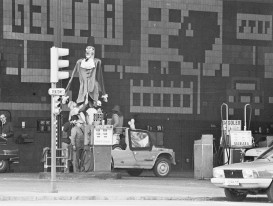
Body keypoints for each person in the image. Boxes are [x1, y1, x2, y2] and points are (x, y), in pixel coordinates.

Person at [65, 36, 108, 111]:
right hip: (82, 91)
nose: (89, 50)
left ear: (94, 51)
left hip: (94, 91)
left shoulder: (97, 62)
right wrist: (65, 93)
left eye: (91, 49)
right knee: (79, 112)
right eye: (87, 48)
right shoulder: (79, 62)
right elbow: (71, 78)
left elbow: (100, 78)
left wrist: (104, 93)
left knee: (95, 112)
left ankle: (95, 120)